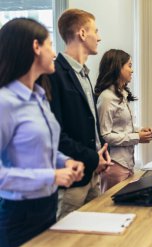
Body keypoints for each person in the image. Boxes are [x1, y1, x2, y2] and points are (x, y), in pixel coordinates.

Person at [0, 18, 84, 247]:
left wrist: (64, 161)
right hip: (18, 215)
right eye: (49, 44)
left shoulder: (38, 96)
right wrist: (50, 176)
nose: (54, 51)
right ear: (36, 47)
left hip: (46, 208)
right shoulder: (5, 102)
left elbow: (41, 148)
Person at [44, 9, 112, 219]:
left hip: (92, 174)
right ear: (82, 33)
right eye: (96, 30)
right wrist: (93, 158)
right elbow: (56, 133)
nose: (99, 37)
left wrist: (101, 151)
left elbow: (88, 120)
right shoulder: (54, 74)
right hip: (72, 179)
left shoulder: (84, 75)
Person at [95, 49, 152, 192]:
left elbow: (123, 126)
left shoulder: (122, 94)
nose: (132, 70)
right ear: (117, 67)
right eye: (129, 65)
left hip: (127, 163)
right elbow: (106, 135)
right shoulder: (107, 97)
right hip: (114, 164)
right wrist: (137, 137)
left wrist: (140, 131)